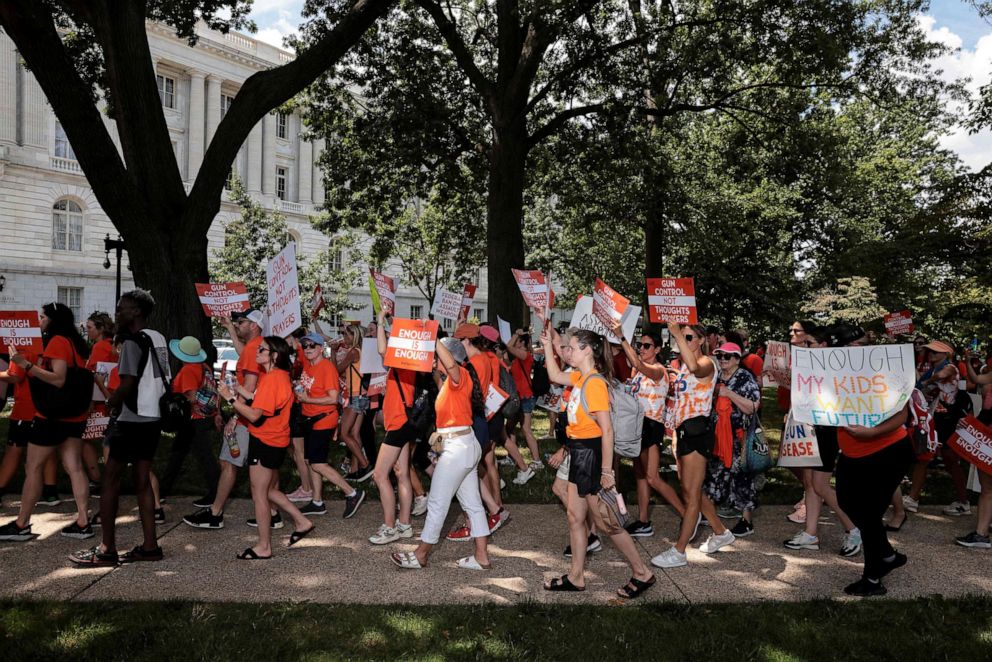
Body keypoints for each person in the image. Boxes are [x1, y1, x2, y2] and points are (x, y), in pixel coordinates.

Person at [540, 328, 656, 599]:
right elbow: (554, 376)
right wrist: (548, 345)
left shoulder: (594, 383)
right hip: (580, 453)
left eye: (573, 346)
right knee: (574, 516)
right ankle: (576, 577)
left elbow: (607, 431)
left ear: (588, 350)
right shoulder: (582, 377)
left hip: (591, 456)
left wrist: (606, 471)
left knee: (607, 523)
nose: (568, 350)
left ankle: (642, 573)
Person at [70, 289, 168, 565]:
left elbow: (127, 383)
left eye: (122, 308)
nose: (117, 312)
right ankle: (150, 546)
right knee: (142, 482)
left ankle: (106, 549)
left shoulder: (133, 343)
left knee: (110, 480)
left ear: (136, 312)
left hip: (130, 418)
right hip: (152, 417)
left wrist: (112, 402)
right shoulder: (157, 337)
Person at [828, 324, 914, 596]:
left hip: (888, 450)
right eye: (843, 347)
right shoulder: (833, 373)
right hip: (853, 454)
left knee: (868, 513)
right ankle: (886, 554)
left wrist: (871, 432)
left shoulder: (883, 371)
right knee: (846, 502)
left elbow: (902, 416)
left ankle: (873, 578)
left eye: (856, 345)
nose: (852, 350)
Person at [391, 336, 491, 571]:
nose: (433, 359)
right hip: (461, 445)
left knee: (437, 503)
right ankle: (481, 557)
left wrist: (434, 340)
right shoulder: (448, 382)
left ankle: (421, 554)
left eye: (437, 356)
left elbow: (453, 366)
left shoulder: (460, 375)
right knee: (473, 504)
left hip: (459, 448)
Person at [0, 302, 93, 542]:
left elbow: (58, 379)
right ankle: (83, 521)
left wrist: (26, 365)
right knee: (74, 467)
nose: (39, 321)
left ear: (54, 320)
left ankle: (22, 523)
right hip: (75, 415)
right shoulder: (77, 343)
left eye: (43, 317)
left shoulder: (57, 342)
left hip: (52, 416)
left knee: (33, 468)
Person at [218, 336, 314, 559]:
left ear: (274, 355)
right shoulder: (277, 376)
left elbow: (256, 416)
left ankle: (264, 546)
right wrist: (240, 390)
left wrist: (230, 399)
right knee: (269, 490)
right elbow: (262, 402)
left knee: (259, 493)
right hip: (275, 439)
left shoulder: (272, 379)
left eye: (262, 350)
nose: (257, 352)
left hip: (265, 439)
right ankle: (302, 522)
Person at [651, 323, 735, 569]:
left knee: (691, 493)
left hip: (698, 431)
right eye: (682, 337)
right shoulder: (682, 368)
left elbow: (698, 368)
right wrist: (675, 435)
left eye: (689, 337)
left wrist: (676, 333)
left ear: (700, 341)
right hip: (684, 431)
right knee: (691, 492)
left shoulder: (708, 363)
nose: (683, 341)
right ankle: (720, 532)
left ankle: (679, 551)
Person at [182, 310, 266, 529]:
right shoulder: (256, 346)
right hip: (256, 416)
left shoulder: (254, 348)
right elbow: (243, 354)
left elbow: (250, 386)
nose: (238, 325)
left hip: (247, 417)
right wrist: (229, 326)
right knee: (257, 466)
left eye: (241, 322)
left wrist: (235, 416)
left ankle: (215, 514)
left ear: (254, 325)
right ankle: (272, 514)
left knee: (229, 462)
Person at [783, 328, 862, 556]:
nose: (804, 347)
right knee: (809, 482)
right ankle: (810, 533)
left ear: (824, 345)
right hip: (810, 427)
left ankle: (854, 528)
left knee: (820, 485)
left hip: (826, 429)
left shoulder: (834, 367)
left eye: (809, 343)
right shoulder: (810, 365)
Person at [614, 326, 685, 537]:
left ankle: (687, 515)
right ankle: (643, 521)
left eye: (647, 346)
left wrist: (621, 337)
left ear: (657, 349)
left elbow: (635, 362)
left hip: (652, 425)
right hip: (637, 425)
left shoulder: (658, 370)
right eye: (640, 345)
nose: (642, 349)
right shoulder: (638, 371)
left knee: (652, 477)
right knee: (640, 475)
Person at [294, 332, 365, 519]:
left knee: (318, 463)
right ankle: (317, 502)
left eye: (312, 346)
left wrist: (308, 398)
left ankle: (352, 492)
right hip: (310, 419)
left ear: (320, 348)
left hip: (323, 419)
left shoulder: (326, 368)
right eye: (305, 346)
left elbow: (333, 398)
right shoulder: (308, 366)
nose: (308, 349)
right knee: (312, 462)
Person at [369, 308, 418, 544]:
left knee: (380, 475)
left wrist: (380, 323)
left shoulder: (401, 362)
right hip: (403, 422)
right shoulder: (410, 361)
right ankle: (405, 524)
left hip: (398, 424)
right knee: (402, 473)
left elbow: (381, 350)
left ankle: (389, 527)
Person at [703, 342, 762, 537]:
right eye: (719, 356)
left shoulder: (745, 378)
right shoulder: (716, 376)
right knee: (714, 474)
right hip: (718, 436)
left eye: (727, 356)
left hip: (739, 438)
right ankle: (709, 512)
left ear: (737, 359)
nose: (722, 359)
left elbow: (753, 406)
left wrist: (729, 394)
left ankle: (746, 521)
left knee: (741, 477)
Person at [159, 336, 223, 508]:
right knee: (178, 454)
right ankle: (162, 491)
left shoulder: (188, 370)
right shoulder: (204, 366)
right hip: (202, 418)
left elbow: (192, 397)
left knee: (204, 457)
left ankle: (216, 493)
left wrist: (176, 402)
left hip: (194, 420)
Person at [956, 351, 992, 549]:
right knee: (987, 488)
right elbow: (976, 378)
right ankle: (981, 534)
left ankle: (982, 533)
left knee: (988, 489)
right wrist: (968, 361)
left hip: (988, 435)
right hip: (986, 434)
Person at [83, 311, 117, 489]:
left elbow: (94, 376)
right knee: (109, 439)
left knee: (85, 438)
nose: (86, 331)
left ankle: (97, 478)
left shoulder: (99, 347)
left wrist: (88, 402)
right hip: (114, 397)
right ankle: (109, 478)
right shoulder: (114, 345)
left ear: (101, 328)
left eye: (89, 328)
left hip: (99, 401)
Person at [335, 323, 373, 482]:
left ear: (354, 336)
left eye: (347, 335)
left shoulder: (353, 352)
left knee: (344, 433)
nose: (344, 337)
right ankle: (355, 470)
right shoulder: (361, 351)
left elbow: (336, 370)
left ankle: (366, 465)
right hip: (363, 396)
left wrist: (332, 352)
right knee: (355, 433)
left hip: (355, 396)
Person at [505, 329, 544, 480]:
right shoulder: (517, 358)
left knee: (526, 429)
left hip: (525, 397)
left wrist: (515, 334)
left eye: (519, 341)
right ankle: (512, 456)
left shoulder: (525, 355)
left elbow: (508, 346)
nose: (516, 343)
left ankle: (537, 460)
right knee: (510, 427)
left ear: (524, 343)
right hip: (518, 397)